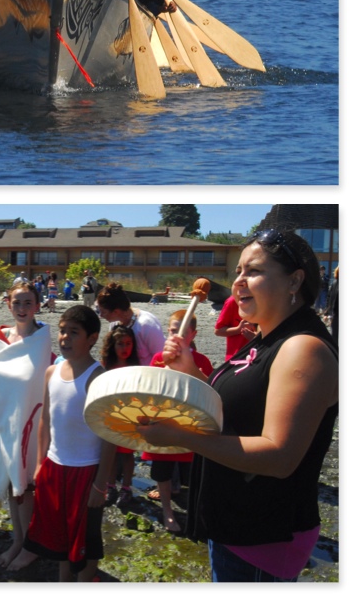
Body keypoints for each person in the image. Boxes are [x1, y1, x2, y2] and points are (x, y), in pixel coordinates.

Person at [137, 229, 338, 582]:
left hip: (266, 534)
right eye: (238, 272)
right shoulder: (266, 338)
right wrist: (189, 370)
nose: (238, 282)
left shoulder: (303, 348)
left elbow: (278, 456)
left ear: (295, 280)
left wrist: (183, 436)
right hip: (234, 520)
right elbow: (231, 412)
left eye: (253, 271)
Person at [18, 305, 116, 581]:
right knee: (59, 536)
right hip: (54, 466)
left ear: (92, 338)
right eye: (62, 331)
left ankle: (85, 581)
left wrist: (100, 483)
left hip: (86, 472)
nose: (65, 338)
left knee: (86, 538)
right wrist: (40, 463)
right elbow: (45, 421)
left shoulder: (98, 378)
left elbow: (110, 436)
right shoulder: (51, 372)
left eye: (74, 332)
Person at [0, 282, 52, 570]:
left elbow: (38, 381)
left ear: (37, 306)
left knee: (27, 486)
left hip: (30, 421)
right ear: (8, 304)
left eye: (28, 303)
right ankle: (18, 539)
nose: (22, 309)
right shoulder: (2, 337)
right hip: (2, 418)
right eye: (17, 303)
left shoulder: (41, 339)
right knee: (11, 483)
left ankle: (28, 544)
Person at [142, 309, 213, 532]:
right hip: (162, 424)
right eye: (173, 331)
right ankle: (167, 512)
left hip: (188, 427)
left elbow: (209, 395)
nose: (177, 336)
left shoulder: (201, 361)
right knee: (162, 471)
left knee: (192, 475)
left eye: (183, 332)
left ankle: (194, 512)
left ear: (193, 334)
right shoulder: (157, 359)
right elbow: (150, 392)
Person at [100, 324, 140, 508]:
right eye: (120, 344)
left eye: (128, 343)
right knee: (111, 453)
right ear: (112, 346)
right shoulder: (105, 366)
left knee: (127, 454)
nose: (125, 348)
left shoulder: (136, 367)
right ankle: (110, 486)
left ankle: (126, 487)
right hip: (111, 415)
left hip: (130, 416)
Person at [96, 282, 165, 366]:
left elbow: (162, 359)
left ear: (116, 312)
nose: (101, 316)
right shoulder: (114, 324)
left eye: (103, 312)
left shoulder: (146, 325)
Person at [214, 293, 257, 360]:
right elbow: (218, 331)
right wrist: (238, 329)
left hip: (261, 356)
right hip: (236, 359)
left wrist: (255, 338)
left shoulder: (268, 301)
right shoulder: (233, 301)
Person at [325, 266, 338, 345]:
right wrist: (327, 313)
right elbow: (329, 298)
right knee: (334, 334)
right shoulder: (335, 283)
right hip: (335, 314)